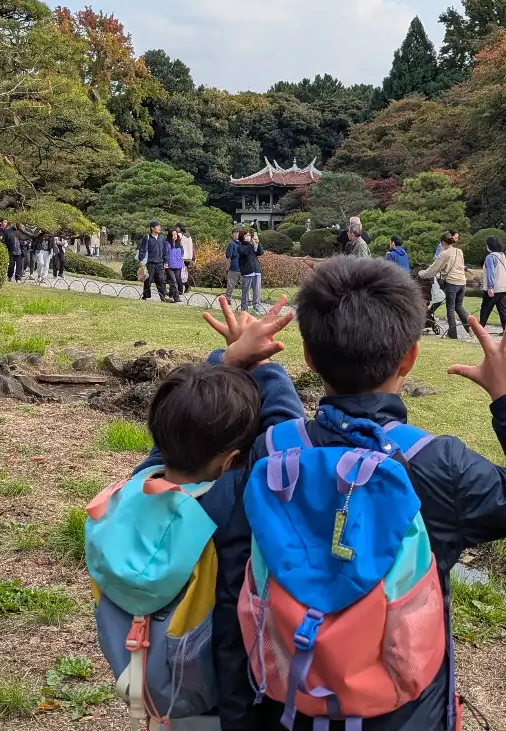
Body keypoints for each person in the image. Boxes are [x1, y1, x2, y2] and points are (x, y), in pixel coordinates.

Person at [217, 257, 506, 730]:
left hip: (284, 700)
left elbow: (231, 586)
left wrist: (233, 365)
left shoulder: (270, 451)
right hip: (405, 713)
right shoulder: (437, 464)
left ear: (308, 355)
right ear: (410, 355)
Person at [87, 299, 302, 731]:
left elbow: (180, 422)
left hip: (151, 690)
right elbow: (289, 439)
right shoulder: (231, 504)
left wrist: (227, 360)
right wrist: (260, 366)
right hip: (215, 701)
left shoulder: (137, 485)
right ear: (231, 461)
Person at [420, 231, 470, 339]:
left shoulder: (444, 253)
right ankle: (470, 328)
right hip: (462, 282)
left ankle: (452, 334)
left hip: (452, 283)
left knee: (450, 308)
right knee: (459, 306)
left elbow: (433, 269)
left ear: (442, 242)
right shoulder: (459, 251)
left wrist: (422, 274)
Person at [479, 236, 506, 333]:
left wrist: (490, 287)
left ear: (490, 245)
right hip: (504, 287)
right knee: (502, 309)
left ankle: (480, 329)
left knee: (485, 308)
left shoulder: (490, 257)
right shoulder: (502, 255)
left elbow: (491, 273)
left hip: (494, 287)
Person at [139, 221, 173, 301]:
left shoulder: (161, 238)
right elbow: (143, 249)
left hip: (160, 263)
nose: (159, 228)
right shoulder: (147, 237)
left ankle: (163, 297)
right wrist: (141, 259)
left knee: (161, 281)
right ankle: (145, 296)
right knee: (148, 280)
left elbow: (164, 251)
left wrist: (166, 261)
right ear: (152, 228)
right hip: (150, 263)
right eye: (158, 226)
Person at [236, 228, 262, 314]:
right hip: (247, 272)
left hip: (256, 271)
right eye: (246, 235)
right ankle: (244, 309)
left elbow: (260, 252)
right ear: (242, 237)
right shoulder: (240, 246)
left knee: (257, 291)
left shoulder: (252, 244)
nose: (248, 236)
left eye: (249, 235)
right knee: (246, 292)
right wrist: (251, 244)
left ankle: (256, 308)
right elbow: (244, 253)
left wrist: (258, 243)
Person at [166, 227, 187, 303]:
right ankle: (176, 298)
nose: (175, 235)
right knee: (173, 281)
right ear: (170, 235)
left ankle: (170, 294)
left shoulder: (179, 244)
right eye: (173, 234)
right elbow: (165, 254)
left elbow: (182, 253)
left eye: (176, 234)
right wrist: (165, 263)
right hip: (169, 266)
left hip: (178, 265)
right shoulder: (167, 244)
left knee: (176, 281)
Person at [224, 228, 243, 302]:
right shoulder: (231, 244)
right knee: (231, 284)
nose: (237, 235)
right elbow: (228, 256)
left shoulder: (242, 244)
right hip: (234, 267)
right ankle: (228, 299)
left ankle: (247, 299)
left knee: (244, 285)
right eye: (235, 233)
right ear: (232, 235)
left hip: (243, 268)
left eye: (238, 234)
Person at [176, 222, 195, 288]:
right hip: (188, 257)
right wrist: (193, 257)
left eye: (177, 227)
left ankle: (181, 288)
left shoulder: (179, 235)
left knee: (179, 273)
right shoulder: (189, 236)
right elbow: (192, 247)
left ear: (179, 228)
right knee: (184, 272)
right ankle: (186, 286)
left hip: (182, 256)